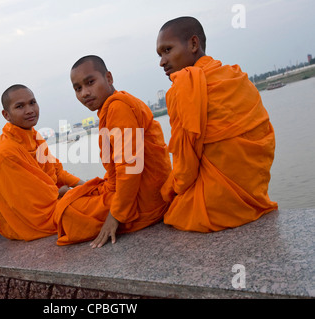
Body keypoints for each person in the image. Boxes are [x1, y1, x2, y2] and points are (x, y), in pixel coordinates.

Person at [156, 16, 278, 232]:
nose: (162, 62)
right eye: (160, 54)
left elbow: (186, 170)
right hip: (254, 194)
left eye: (167, 50)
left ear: (194, 44)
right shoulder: (236, 77)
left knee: (171, 209)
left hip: (216, 207)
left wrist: (170, 189)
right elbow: (265, 137)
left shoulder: (181, 89)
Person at [53, 55, 172, 248]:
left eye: (90, 82)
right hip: (137, 192)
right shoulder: (112, 108)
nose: (85, 93)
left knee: (67, 211)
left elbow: (130, 168)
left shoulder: (118, 107)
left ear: (109, 78)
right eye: (78, 88)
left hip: (144, 201)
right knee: (72, 198)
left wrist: (115, 215)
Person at [0, 84, 85, 241]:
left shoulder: (34, 136)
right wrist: (65, 193)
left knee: (99, 195)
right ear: (6, 114)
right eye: (20, 106)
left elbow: (57, 172)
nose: (30, 110)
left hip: (54, 200)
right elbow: (32, 203)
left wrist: (85, 186)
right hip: (32, 221)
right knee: (98, 210)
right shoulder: (5, 152)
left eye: (32, 102)